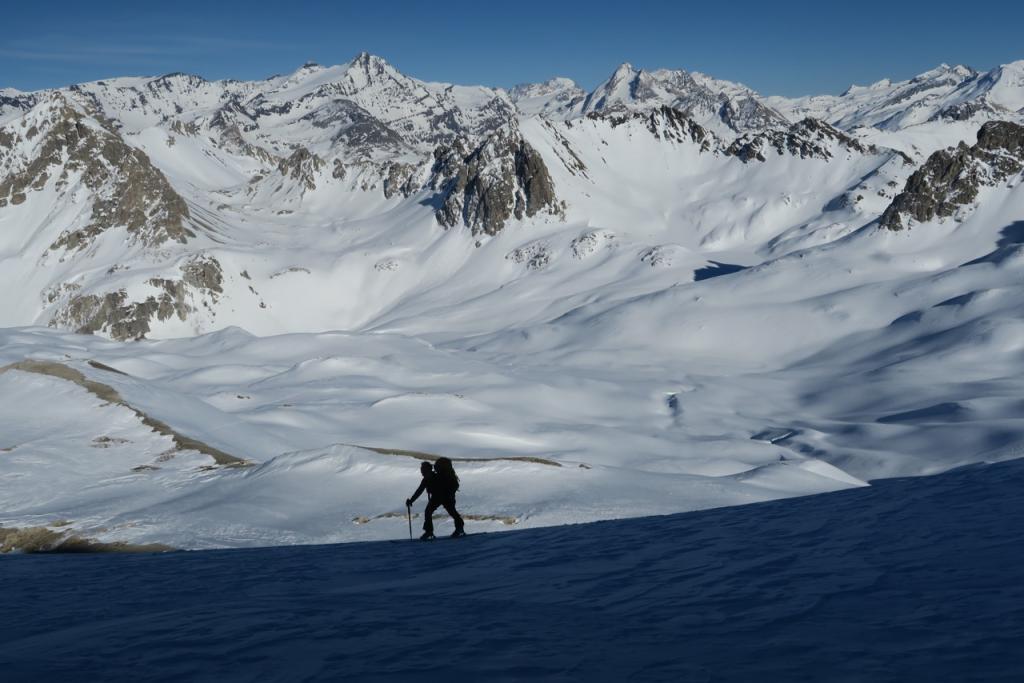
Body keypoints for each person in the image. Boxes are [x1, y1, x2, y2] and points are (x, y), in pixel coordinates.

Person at [406, 458, 465, 540]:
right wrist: (411, 500)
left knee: (430, 511)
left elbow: (420, 491)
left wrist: (411, 500)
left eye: (422, 469)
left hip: (443, 497)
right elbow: (419, 490)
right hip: (443, 497)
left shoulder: (433, 477)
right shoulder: (429, 478)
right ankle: (459, 528)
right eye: (421, 469)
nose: (421, 471)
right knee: (451, 512)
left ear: (427, 469)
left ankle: (429, 532)